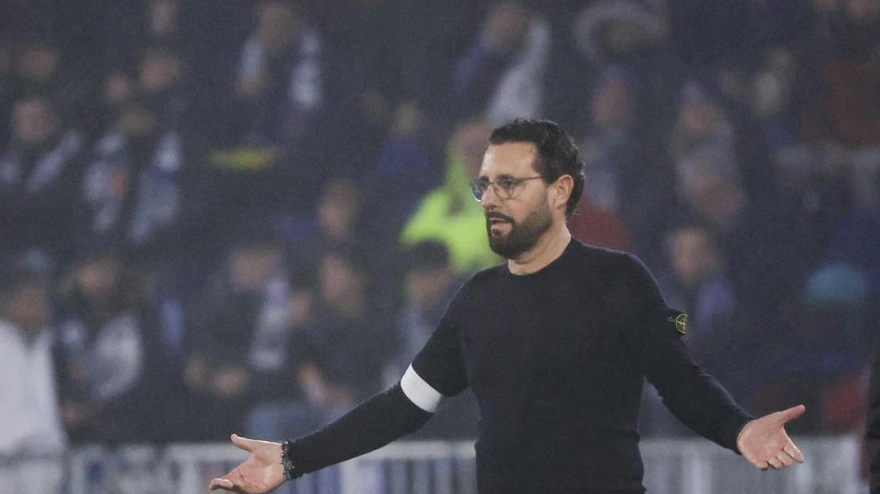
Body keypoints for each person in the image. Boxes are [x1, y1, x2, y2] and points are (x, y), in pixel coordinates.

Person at [209, 119, 805, 494]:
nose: (490, 199)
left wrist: (739, 429)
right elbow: (400, 408)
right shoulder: (475, 301)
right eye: (484, 185)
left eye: (508, 185)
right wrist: (291, 459)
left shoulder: (619, 282)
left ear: (561, 190)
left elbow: (680, 381)